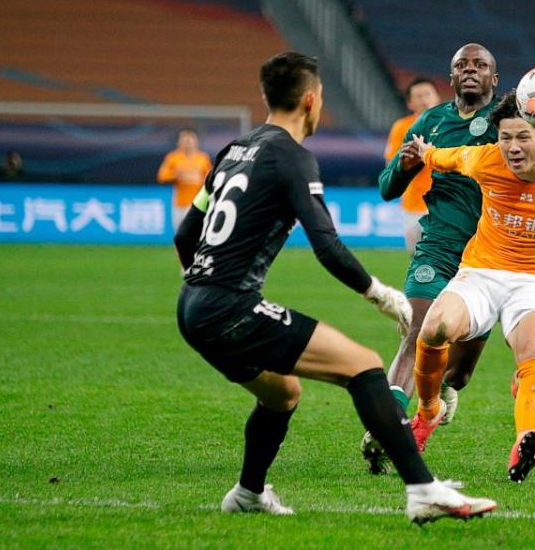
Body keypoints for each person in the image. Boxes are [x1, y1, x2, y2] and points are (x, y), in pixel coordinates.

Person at [173, 51, 495, 524]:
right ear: (309, 100)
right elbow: (326, 246)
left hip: (192, 305)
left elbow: (186, 235)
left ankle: (247, 492)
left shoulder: (234, 150)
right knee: (364, 366)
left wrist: (203, 287)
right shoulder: (293, 157)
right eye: (321, 96)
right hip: (230, 307)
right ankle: (423, 490)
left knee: (282, 394)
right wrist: (382, 296)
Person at [406, 90, 535, 483]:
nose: (512, 148)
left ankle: (527, 438)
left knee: (533, 351)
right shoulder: (484, 160)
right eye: (505, 137)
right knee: (433, 330)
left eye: (522, 137)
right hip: (481, 272)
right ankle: (428, 410)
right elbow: (445, 157)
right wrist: (426, 151)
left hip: (534, 281)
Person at [361, 43, 500, 474]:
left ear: (494, 80)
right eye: (463, 65)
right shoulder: (430, 121)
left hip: (488, 256)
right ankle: (390, 425)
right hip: (437, 245)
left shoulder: (506, 123)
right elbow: (387, 186)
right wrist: (403, 165)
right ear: (451, 77)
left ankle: (437, 395)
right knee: (417, 329)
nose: (471, 70)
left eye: (481, 66)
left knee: (458, 374)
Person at [384, 76, 442, 252]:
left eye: (428, 94)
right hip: (414, 205)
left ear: (437, 98)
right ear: (410, 103)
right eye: (418, 96)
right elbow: (391, 165)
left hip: (445, 203)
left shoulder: (451, 125)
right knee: (419, 261)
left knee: (448, 261)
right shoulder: (402, 128)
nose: (424, 100)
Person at [158, 128, 212, 229]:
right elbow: (162, 176)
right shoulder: (173, 157)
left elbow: (211, 179)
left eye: (190, 138)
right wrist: (177, 175)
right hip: (179, 204)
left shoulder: (203, 158)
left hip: (198, 203)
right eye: (184, 138)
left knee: (196, 236)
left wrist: (199, 179)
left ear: (196, 141)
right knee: (180, 236)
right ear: (179, 142)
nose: (188, 142)